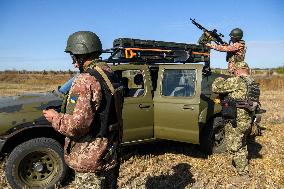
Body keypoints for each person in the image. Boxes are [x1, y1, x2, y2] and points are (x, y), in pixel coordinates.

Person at [43, 31, 123, 189]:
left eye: (74, 58)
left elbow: (77, 125)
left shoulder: (86, 80)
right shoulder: (109, 75)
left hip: (90, 159)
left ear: (81, 55)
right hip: (109, 152)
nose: (73, 64)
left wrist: (54, 117)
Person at [212, 61, 260, 175]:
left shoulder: (237, 80)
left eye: (234, 71)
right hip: (247, 119)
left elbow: (216, 87)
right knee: (242, 143)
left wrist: (218, 78)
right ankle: (242, 166)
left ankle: (243, 173)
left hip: (236, 120)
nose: (234, 73)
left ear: (238, 70)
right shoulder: (253, 83)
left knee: (234, 147)